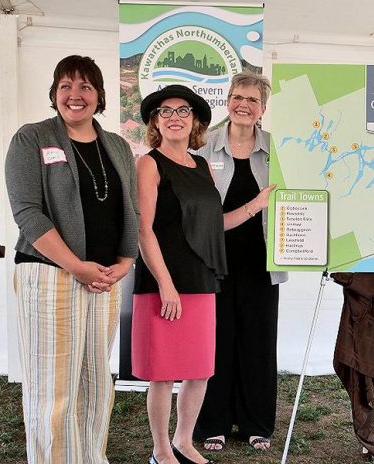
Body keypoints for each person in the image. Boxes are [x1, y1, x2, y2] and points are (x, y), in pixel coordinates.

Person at [5, 55, 138, 463]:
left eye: (85, 87)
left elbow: (128, 208)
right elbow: (28, 213)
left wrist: (126, 261)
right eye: (66, 86)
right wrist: (74, 266)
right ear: (54, 93)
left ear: (99, 97)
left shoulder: (115, 145)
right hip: (50, 276)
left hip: (104, 279)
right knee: (54, 388)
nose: (74, 95)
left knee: (96, 383)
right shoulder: (32, 138)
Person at [131, 85, 227, 464]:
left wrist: (256, 206)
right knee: (163, 372)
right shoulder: (149, 163)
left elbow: (213, 225)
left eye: (183, 111)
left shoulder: (201, 165)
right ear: (156, 121)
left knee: (199, 369)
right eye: (165, 111)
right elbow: (143, 228)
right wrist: (166, 284)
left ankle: (184, 442)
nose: (174, 117)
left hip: (201, 281)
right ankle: (160, 451)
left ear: (195, 122)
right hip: (163, 284)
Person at [194, 71, 286, 452]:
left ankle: (256, 423)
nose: (243, 105)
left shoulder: (280, 150)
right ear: (227, 101)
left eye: (252, 100)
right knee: (216, 341)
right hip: (214, 263)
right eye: (237, 97)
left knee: (258, 343)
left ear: (263, 108)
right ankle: (213, 421)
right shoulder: (203, 148)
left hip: (263, 263)